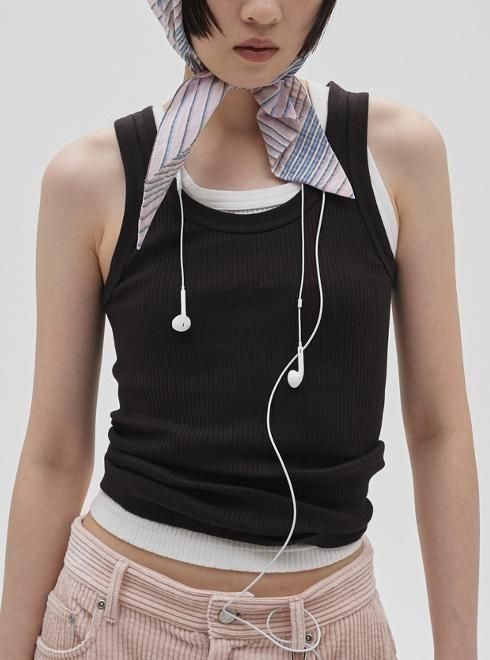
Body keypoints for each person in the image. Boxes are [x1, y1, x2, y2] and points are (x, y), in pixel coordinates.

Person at [0, 0, 479, 658]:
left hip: (330, 630)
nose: (262, 11)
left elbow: (439, 429)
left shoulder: (395, 155)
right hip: (117, 624)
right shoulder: (91, 179)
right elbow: (54, 455)